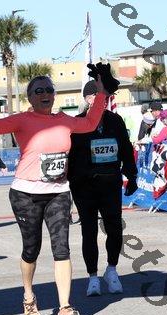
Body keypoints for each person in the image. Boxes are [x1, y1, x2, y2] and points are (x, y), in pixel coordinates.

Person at [0, 73, 109, 315]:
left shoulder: (64, 120)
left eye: (49, 90)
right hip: (25, 194)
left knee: (62, 248)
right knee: (31, 249)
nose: (45, 95)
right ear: (30, 98)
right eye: (39, 91)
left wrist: (101, 93)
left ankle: (65, 306)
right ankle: (29, 296)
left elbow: (90, 123)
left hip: (58, 192)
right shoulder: (22, 120)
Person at [68, 80, 138, 297]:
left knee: (114, 228)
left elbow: (125, 149)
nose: (102, 100)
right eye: (97, 96)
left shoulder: (115, 121)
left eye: (105, 96)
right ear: (87, 99)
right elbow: (70, 157)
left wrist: (131, 176)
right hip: (85, 187)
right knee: (88, 231)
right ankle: (92, 277)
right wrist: (69, 187)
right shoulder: (77, 123)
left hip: (110, 183)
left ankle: (112, 269)